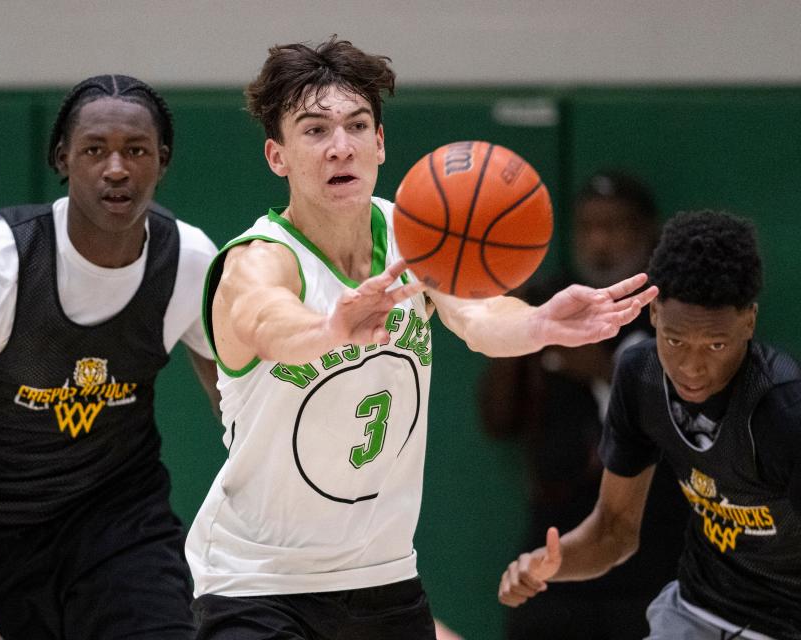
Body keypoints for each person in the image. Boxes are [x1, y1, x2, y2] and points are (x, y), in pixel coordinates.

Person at [184, 36, 657, 640]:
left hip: (383, 579)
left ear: (380, 143)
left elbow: (481, 320)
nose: (340, 147)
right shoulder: (259, 259)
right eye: (314, 131)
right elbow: (265, 321)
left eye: (357, 126)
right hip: (259, 583)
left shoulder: (414, 237)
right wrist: (330, 329)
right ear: (277, 156)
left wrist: (540, 324)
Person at [0, 74, 219, 639]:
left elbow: (240, 411)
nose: (116, 169)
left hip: (120, 521)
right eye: (94, 150)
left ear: (162, 160)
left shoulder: (188, 261)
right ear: (62, 158)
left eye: (135, 151)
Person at [498, 210, 801, 640]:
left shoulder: (783, 411)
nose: (692, 367)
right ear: (655, 313)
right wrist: (550, 564)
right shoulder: (641, 374)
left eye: (716, 344)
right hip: (693, 613)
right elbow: (614, 531)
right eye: (676, 340)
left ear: (749, 322)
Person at [481, 172, 688, 639]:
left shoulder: (680, 314)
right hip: (556, 546)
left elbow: (699, 419)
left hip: (653, 550)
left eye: (615, 227)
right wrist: (513, 322)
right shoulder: (549, 306)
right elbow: (496, 419)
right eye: (588, 228)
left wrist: (604, 369)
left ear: (648, 233)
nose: (600, 242)